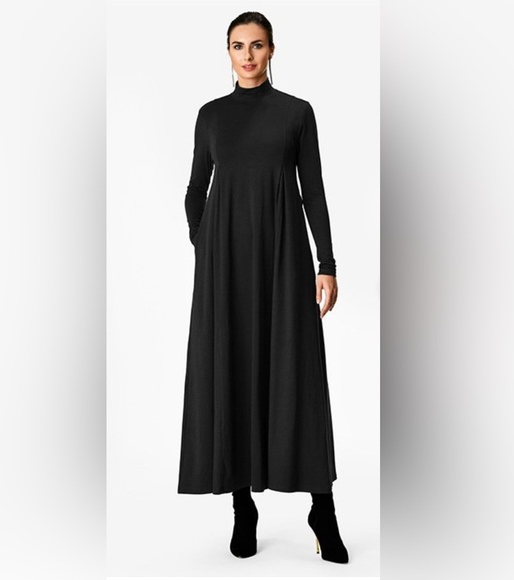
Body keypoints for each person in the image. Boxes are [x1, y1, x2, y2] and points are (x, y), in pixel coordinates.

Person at [177, 11, 349, 564]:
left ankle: (322, 510)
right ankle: (242, 507)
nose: (247, 55)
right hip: (224, 266)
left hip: (284, 258)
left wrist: (327, 262)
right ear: (227, 53)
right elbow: (195, 188)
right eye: (237, 46)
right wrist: (204, 240)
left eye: (256, 45)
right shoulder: (211, 116)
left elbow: (313, 191)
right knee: (232, 368)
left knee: (297, 372)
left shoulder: (296, 113)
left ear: (272, 49)